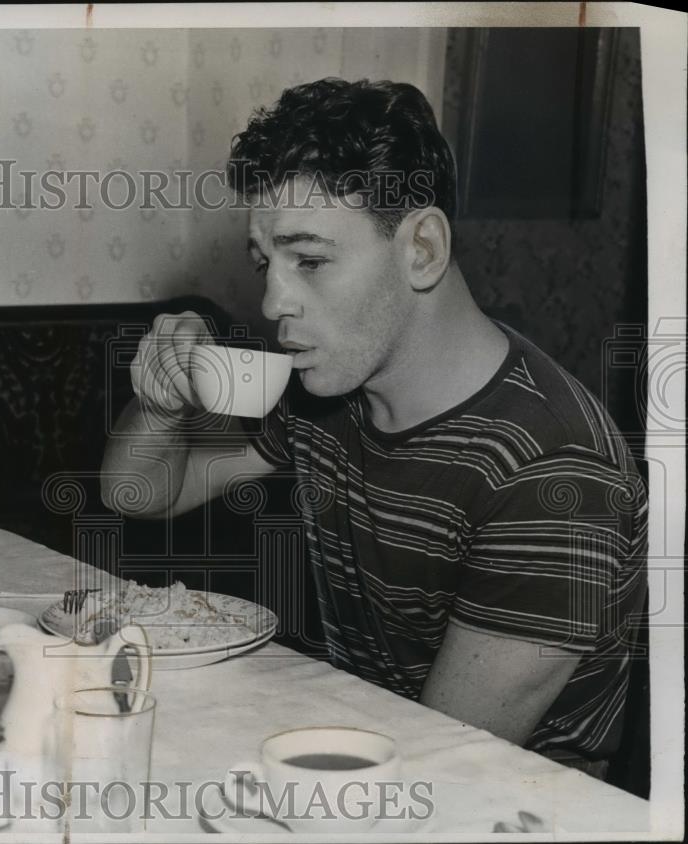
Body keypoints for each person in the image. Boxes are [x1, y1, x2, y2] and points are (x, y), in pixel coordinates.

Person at [100, 78, 647, 774]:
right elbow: (139, 493)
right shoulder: (327, 394)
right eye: (266, 263)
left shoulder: (552, 473)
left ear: (421, 248)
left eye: (312, 260)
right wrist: (160, 396)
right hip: (362, 754)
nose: (272, 300)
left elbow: (436, 761)